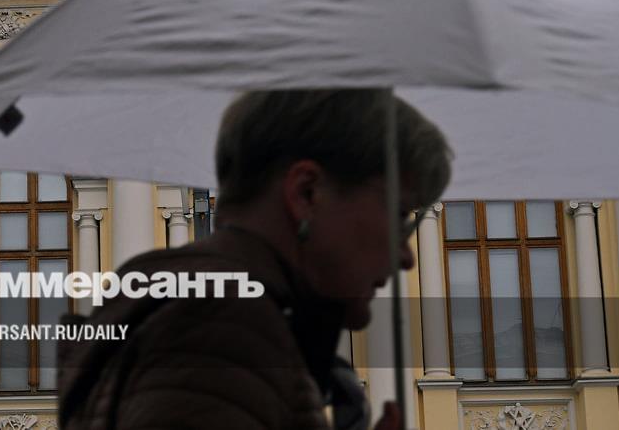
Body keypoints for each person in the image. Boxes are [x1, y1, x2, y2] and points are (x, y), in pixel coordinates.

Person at [58, 89, 452, 430]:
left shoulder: (206, 312)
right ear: (307, 193)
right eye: (398, 215)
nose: (406, 256)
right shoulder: (221, 332)